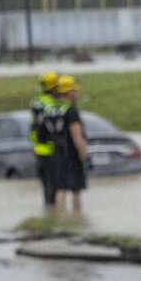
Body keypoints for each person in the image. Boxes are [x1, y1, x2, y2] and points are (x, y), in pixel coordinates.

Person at [52, 76, 91, 218]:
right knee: (75, 189)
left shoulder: (55, 109)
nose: (76, 93)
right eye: (74, 90)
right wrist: (86, 154)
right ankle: (76, 218)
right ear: (69, 92)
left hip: (57, 153)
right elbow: (77, 136)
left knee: (61, 188)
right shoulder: (71, 111)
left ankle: (59, 217)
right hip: (71, 155)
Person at [27, 72, 66, 208]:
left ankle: (49, 213)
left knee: (47, 188)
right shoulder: (53, 106)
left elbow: (32, 129)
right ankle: (54, 215)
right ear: (53, 87)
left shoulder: (36, 103)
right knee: (56, 187)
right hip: (53, 152)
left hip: (39, 152)